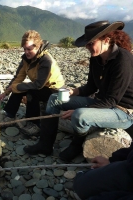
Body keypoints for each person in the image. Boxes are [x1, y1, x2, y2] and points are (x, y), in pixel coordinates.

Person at [23, 20, 133, 161]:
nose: (87, 47)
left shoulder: (123, 59)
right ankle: (45, 144)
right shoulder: (96, 59)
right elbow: (91, 87)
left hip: (123, 111)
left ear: (106, 40)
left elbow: (112, 100)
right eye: (87, 44)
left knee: (80, 115)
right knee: (54, 99)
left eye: (91, 43)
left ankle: (76, 145)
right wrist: (72, 92)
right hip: (102, 103)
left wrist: (78, 111)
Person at [0, 30, 65, 136]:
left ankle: (34, 124)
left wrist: (17, 87)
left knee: (30, 92)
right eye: (24, 49)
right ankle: (10, 115)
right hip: (41, 86)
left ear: (38, 46)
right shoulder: (26, 60)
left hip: (55, 91)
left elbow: (38, 85)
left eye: (29, 49)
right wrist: (6, 92)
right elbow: (18, 77)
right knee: (19, 86)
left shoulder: (46, 61)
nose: (26, 52)